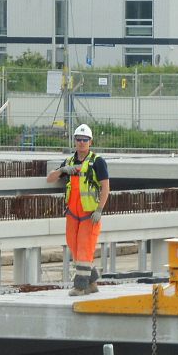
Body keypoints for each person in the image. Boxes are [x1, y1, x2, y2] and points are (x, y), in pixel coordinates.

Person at [46, 123, 110, 296]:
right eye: (79, 139)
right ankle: (93, 282)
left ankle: (80, 286)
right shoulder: (69, 162)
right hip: (73, 214)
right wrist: (62, 170)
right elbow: (49, 179)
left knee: (84, 249)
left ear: (90, 141)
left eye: (85, 140)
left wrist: (99, 210)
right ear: (74, 141)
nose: (81, 143)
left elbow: (105, 188)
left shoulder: (97, 162)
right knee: (74, 248)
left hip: (89, 215)